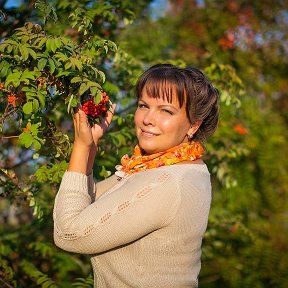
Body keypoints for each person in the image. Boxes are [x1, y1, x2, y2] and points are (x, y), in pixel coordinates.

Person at [53, 64, 219, 288]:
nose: (148, 119)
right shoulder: (157, 167)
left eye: (166, 111)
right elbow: (87, 205)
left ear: (194, 125)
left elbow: (68, 234)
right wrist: (91, 146)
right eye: (144, 105)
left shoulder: (169, 182)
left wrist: (80, 147)